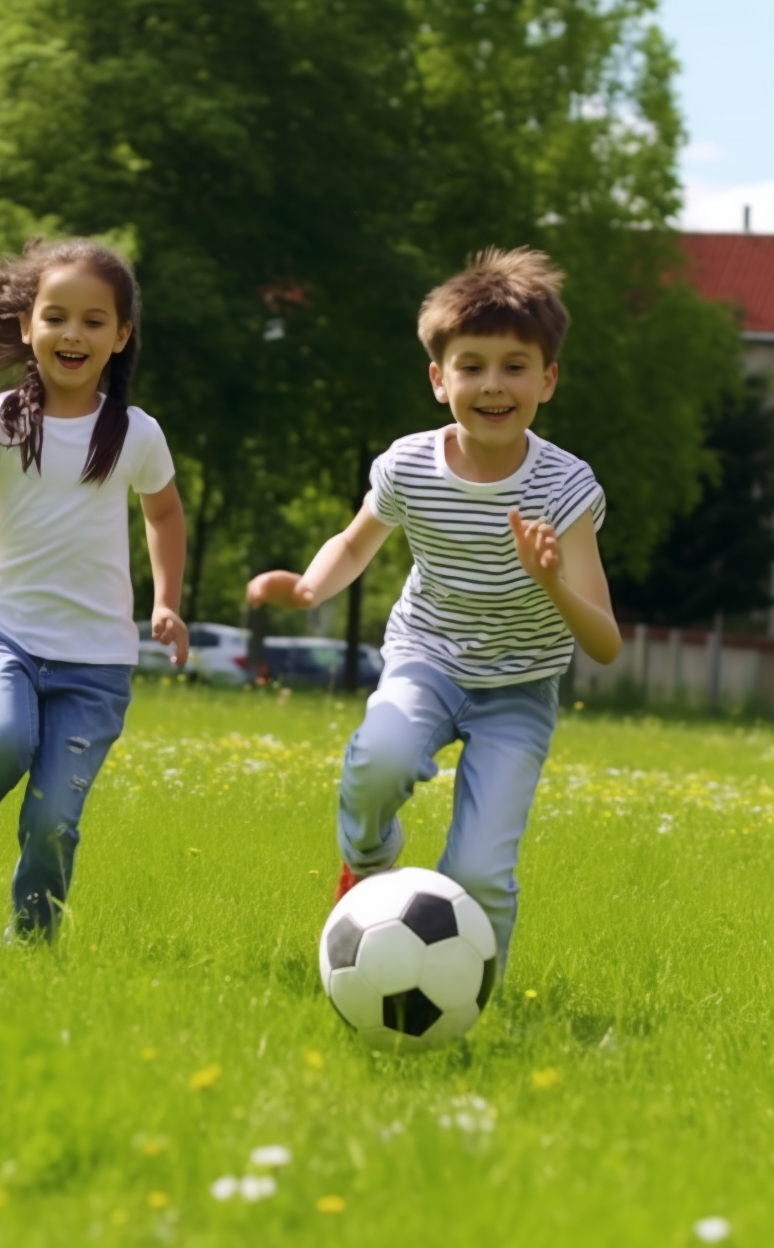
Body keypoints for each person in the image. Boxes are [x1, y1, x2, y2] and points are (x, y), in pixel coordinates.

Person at [247, 247, 621, 969]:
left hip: (518, 689)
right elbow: (355, 546)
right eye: (471, 365)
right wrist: (307, 588)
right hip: (427, 658)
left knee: (481, 874)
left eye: (515, 366)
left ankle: (466, 1002)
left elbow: (604, 643)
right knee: (379, 761)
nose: (492, 385)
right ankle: (368, 856)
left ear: (548, 380)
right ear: (437, 378)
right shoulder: (409, 465)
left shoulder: (565, 488)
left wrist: (551, 582)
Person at [0, 237, 188, 940]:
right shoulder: (2, 419)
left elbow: (163, 514)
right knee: (1, 739)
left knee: (53, 820)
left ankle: (33, 940)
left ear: (121, 336)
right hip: (2, 631)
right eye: (57, 317)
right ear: (27, 326)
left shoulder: (135, 433)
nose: (74, 334)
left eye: (95, 321)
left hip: (95, 662)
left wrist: (165, 601)